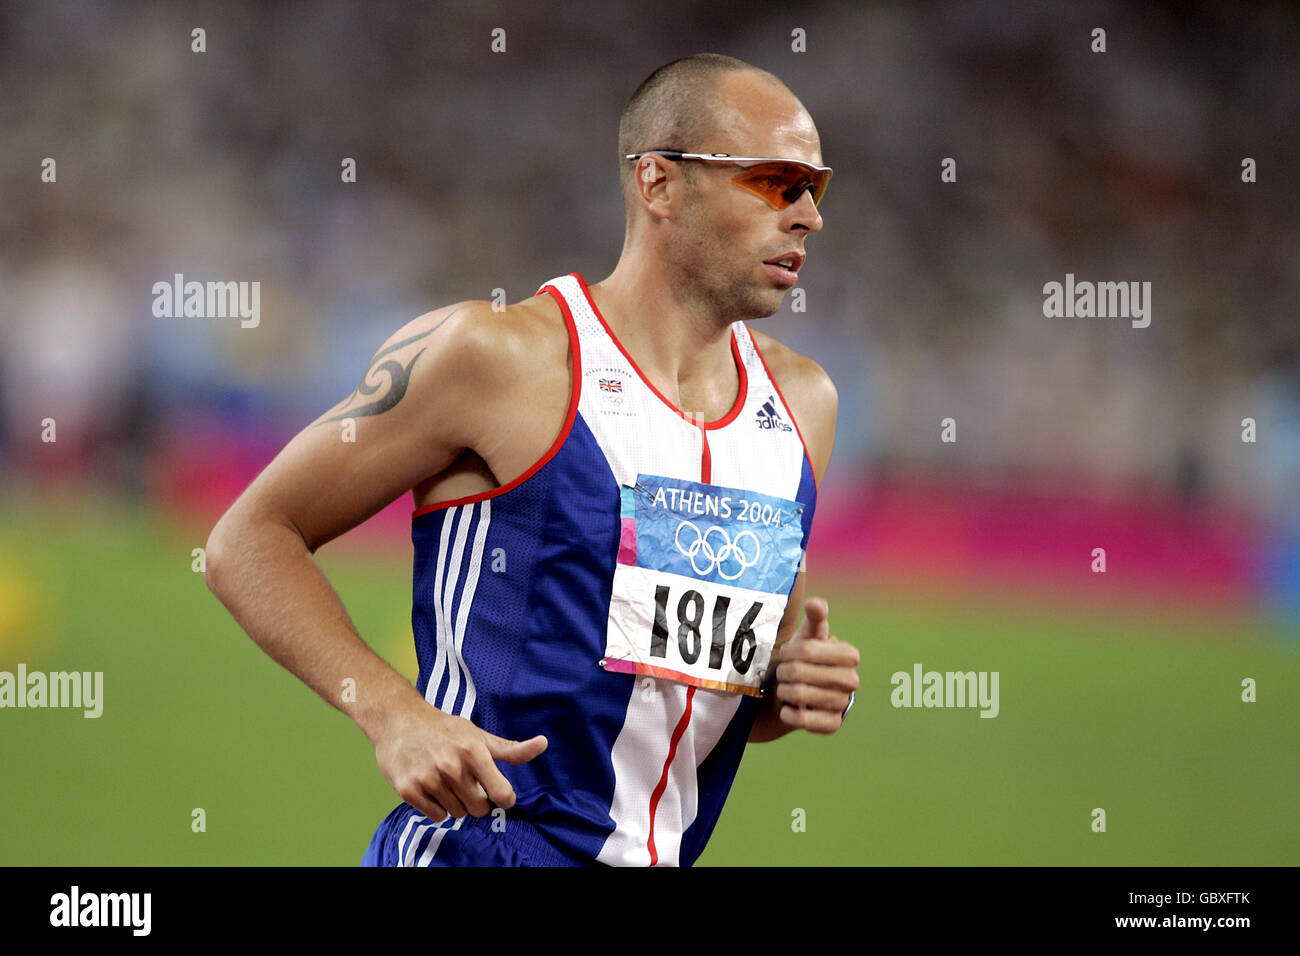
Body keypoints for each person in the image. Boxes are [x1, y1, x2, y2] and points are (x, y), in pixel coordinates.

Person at [204, 52, 860, 867]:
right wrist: (392, 713)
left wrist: (782, 690)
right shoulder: (497, 356)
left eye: (814, 188)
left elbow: (694, 693)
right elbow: (250, 538)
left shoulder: (804, 407)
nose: (807, 216)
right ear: (656, 183)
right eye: (774, 181)